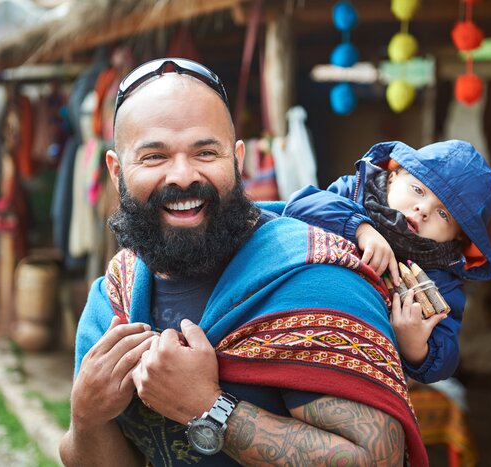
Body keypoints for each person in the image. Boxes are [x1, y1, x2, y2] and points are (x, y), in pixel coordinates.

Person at [59, 58, 429, 467]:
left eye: (205, 152)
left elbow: (380, 458)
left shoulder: (314, 282)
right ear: (117, 172)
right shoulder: (114, 298)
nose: (182, 175)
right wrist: (86, 418)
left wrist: (208, 407)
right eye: (153, 157)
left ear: (237, 162)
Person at [282, 140, 491, 384]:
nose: (423, 209)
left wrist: (415, 346)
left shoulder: (442, 278)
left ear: (458, 237)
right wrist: (361, 229)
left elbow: (446, 356)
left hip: (357, 367)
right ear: (393, 176)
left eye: (443, 214)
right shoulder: (355, 193)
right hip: (295, 319)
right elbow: (298, 205)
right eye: (419, 190)